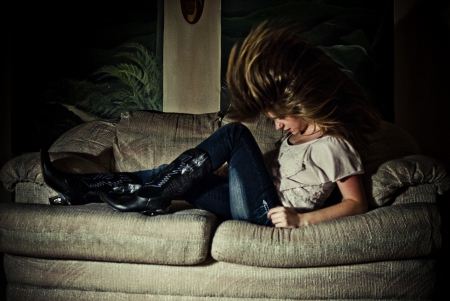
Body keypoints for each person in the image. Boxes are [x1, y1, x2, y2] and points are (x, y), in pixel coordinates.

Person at [41, 22, 381, 228]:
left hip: (268, 214)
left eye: (279, 118)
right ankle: (82, 187)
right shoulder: (297, 135)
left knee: (235, 133)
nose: (276, 127)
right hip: (250, 203)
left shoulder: (335, 144)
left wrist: (302, 220)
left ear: (303, 103)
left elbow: (356, 204)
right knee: (178, 178)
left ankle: (151, 193)